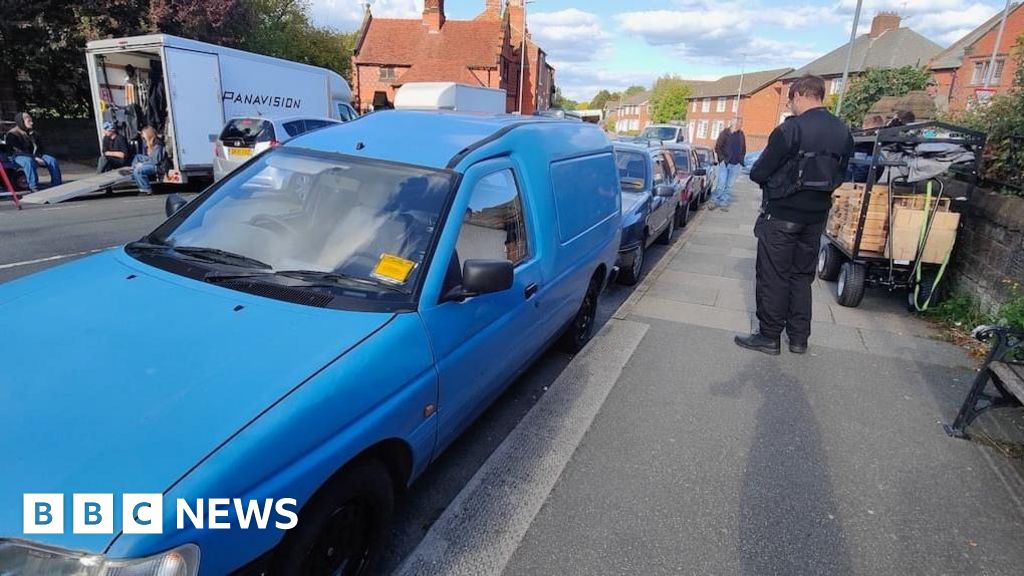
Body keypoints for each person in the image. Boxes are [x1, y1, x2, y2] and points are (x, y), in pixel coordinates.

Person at [737, 75, 854, 355]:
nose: (790, 105)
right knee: (801, 277)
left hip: (782, 214)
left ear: (800, 94)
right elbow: (842, 173)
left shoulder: (790, 130)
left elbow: (760, 171)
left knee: (773, 275)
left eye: (791, 99)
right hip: (816, 218)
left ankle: (769, 336)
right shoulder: (843, 132)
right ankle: (799, 338)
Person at [4, 112, 62, 192]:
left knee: (51, 160)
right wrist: (35, 158)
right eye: (29, 121)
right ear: (22, 121)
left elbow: (41, 148)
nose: (32, 123)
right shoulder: (12, 134)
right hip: (17, 156)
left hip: (34, 155)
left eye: (31, 120)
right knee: (29, 161)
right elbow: (17, 150)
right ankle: (33, 186)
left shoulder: (34, 133)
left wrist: (41, 156)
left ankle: (57, 184)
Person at [710, 117, 746, 211]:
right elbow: (718, 147)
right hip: (725, 163)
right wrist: (721, 159)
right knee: (721, 183)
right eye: (739, 123)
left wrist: (741, 159)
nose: (740, 125)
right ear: (733, 123)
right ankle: (714, 200)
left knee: (729, 185)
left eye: (741, 124)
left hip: (736, 164)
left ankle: (724, 202)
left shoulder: (741, 134)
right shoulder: (725, 133)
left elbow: (743, 148)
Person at [132, 126, 165, 195]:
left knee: (138, 171)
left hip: (158, 166)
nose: (142, 137)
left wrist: (142, 164)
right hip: (151, 161)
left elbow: (156, 161)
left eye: (143, 135)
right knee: (137, 157)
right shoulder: (148, 144)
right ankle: (133, 169)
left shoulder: (157, 144)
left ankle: (147, 189)